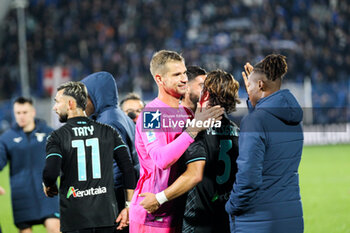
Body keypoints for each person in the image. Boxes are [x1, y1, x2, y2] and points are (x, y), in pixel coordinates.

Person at [129, 50, 224, 233]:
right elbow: (161, 159)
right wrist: (194, 128)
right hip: (151, 213)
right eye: (176, 74)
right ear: (159, 79)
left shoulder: (187, 114)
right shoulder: (151, 114)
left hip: (177, 210)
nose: (183, 79)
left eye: (183, 73)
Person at [140, 69, 241, 233]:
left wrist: (158, 198)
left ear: (206, 95)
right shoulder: (236, 130)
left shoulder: (197, 130)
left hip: (198, 220)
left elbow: (194, 175)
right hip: (226, 219)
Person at [42, 81, 136, 233]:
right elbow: (128, 168)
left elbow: (50, 173)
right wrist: (129, 205)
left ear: (71, 104)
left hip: (75, 220)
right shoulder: (108, 131)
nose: (55, 107)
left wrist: (49, 184)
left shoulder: (57, 137)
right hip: (106, 218)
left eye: (58, 102)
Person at [225, 54, 304, 233]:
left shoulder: (254, 121)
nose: (247, 90)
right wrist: (256, 102)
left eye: (250, 86)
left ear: (260, 85)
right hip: (291, 218)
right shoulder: (293, 119)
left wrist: (231, 206)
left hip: (258, 220)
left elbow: (249, 178)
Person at [81, 72, 139, 217]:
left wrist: (103, 197)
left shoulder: (108, 121)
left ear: (96, 95)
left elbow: (117, 166)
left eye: (85, 98)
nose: (82, 103)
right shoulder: (117, 115)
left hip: (116, 197)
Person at [0, 97, 60, 233]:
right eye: (18, 113)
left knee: (55, 228)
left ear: (33, 112)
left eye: (25, 112)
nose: (21, 116)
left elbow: (62, 158)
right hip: (21, 194)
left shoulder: (49, 133)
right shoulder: (6, 138)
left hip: (47, 192)